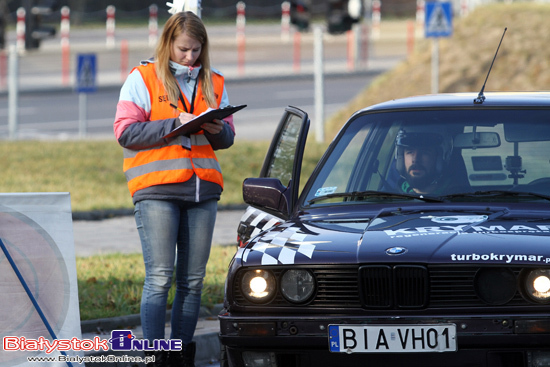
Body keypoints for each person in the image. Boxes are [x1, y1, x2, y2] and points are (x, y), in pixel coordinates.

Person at [113, 11, 235, 367]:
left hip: (203, 191)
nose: (190, 57)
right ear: (168, 43)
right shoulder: (143, 77)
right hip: (157, 191)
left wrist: (216, 130)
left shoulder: (214, 81)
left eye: (197, 50)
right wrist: (174, 124)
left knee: (193, 281)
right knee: (161, 277)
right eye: (183, 49)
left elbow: (227, 136)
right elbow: (125, 133)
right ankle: (154, 355)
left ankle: (179, 357)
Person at [394, 127, 456, 195]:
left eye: (424, 152)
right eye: (410, 152)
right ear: (401, 157)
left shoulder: (459, 200)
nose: (415, 159)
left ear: (440, 158)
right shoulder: (387, 198)